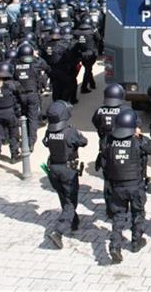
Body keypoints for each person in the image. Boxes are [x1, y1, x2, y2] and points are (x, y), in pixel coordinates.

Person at [100, 108, 151, 263]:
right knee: (138, 213)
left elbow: (104, 162)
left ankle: (115, 246)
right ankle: (136, 242)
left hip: (117, 186)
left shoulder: (109, 141)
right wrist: (140, 135)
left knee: (118, 217)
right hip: (135, 185)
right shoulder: (137, 141)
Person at [42, 101, 88, 249]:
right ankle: (58, 231)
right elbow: (83, 142)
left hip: (53, 169)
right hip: (68, 171)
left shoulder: (49, 131)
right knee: (70, 202)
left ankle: (73, 222)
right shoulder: (70, 131)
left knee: (63, 196)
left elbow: (45, 143)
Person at [0, 62, 23, 169]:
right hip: (10, 112)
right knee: (13, 134)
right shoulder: (13, 85)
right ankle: (14, 155)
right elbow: (21, 97)